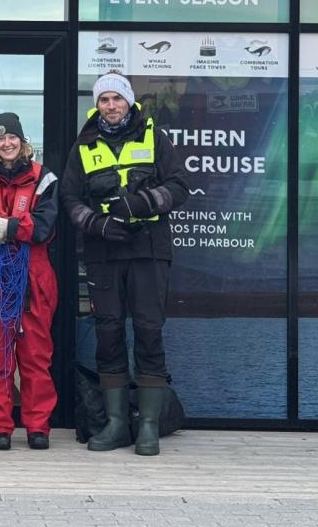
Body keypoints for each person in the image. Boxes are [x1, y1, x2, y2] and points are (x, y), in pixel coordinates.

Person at [61, 71, 188, 456]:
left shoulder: (155, 137)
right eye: (104, 100)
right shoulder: (83, 146)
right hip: (104, 253)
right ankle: (117, 424)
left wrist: (142, 203)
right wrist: (96, 224)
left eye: (117, 99)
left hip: (149, 251)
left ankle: (148, 425)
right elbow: (70, 199)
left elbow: (180, 186)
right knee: (108, 334)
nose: (111, 106)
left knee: (149, 332)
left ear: (129, 102)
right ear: (96, 105)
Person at [0, 112, 59, 451]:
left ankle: (38, 427)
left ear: (22, 140)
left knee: (36, 357)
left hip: (33, 278)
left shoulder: (44, 178)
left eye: (12, 138)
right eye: (0, 139)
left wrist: (7, 229)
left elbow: (46, 226)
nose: (7, 143)